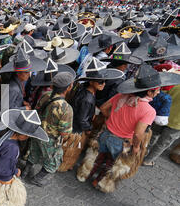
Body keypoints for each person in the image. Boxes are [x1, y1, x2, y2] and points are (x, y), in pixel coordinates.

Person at [76, 64, 179, 193]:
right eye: (157, 90)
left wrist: (112, 119)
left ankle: (84, 174)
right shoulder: (149, 111)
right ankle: (99, 182)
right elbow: (137, 134)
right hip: (121, 142)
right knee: (111, 164)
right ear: (149, 91)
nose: (158, 92)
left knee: (97, 156)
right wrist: (136, 148)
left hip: (105, 133)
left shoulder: (121, 96)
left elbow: (103, 108)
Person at [23, 72, 75, 187]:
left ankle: (25, 172)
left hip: (37, 132)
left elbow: (36, 111)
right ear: (69, 87)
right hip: (50, 139)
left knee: (33, 153)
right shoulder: (66, 108)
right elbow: (64, 132)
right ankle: (37, 179)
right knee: (54, 162)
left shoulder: (46, 94)